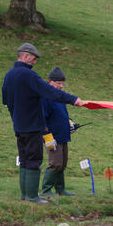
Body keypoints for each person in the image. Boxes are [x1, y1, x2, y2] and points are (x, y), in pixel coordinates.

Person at [2, 43, 83, 204]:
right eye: (33, 59)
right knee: (34, 158)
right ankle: (32, 196)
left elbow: (6, 100)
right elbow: (50, 92)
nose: (34, 62)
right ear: (25, 56)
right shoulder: (29, 76)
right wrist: (73, 99)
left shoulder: (9, 75)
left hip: (18, 124)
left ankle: (25, 195)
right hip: (33, 125)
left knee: (24, 159)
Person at [41, 67, 76, 197]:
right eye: (58, 83)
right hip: (52, 137)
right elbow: (42, 118)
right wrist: (47, 137)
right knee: (55, 164)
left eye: (62, 83)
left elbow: (63, 115)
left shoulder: (60, 97)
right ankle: (46, 190)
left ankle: (60, 190)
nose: (61, 86)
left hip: (63, 136)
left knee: (62, 164)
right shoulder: (45, 98)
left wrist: (70, 123)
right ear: (50, 82)